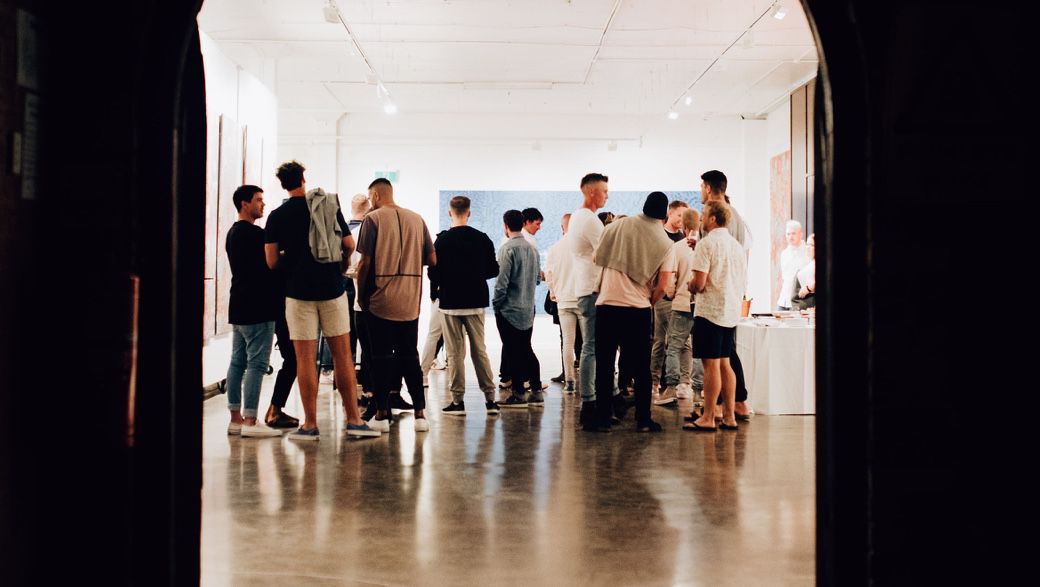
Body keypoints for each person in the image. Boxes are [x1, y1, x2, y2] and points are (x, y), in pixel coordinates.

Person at [264, 161, 378, 440]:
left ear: (283, 185)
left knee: (305, 358)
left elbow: (271, 261)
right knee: (343, 355)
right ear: (303, 179)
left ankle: (310, 424)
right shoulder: (327, 206)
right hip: (331, 289)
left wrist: (293, 263)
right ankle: (354, 421)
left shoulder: (277, 216)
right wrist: (340, 265)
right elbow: (349, 245)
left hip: (297, 294)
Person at [589, 192, 674, 433]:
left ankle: (603, 418)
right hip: (637, 310)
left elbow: (597, 258)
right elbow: (663, 285)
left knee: (604, 365)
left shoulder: (617, 225)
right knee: (641, 367)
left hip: (606, 305)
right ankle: (643, 420)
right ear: (665, 214)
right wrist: (650, 301)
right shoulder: (665, 243)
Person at [356, 178, 436, 432]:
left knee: (380, 357)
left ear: (375, 195)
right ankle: (420, 414)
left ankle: (382, 414)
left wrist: (361, 295)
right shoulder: (417, 219)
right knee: (409, 356)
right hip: (410, 300)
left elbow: (365, 262)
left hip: (381, 299)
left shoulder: (373, 219)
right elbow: (432, 259)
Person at [432, 196, 502, 416]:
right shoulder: (482, 238)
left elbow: (433, 272)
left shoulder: (442, 241)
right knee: (479, 350)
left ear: (449, 212)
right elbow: (493, 270)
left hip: (450, 301)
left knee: (454, 354)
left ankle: (458, 401)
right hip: (475, 300)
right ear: (469, 213)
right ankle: (490, 399)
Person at [224, 185, 284, 438]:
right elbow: (272, 266)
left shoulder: (232, 233)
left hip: (238, 304)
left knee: (237, 362)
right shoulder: (257, 234)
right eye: (258, 200)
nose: (263, 204)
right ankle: (250, 420)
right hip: (259, 306)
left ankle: (235, 419)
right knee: (257, 364)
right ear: (244, 204)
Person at [684, 200, 747, 432]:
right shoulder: (736, 246)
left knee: (710, 366)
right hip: (730, 311)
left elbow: (699, 284)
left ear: (712, 219)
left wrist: (690, 285)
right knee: (725, 363)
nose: (701, 218)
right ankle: (729, 416)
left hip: (710, 311)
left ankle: (709, 416)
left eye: (703, 214)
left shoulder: (706, 244)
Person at [697, 170, 752, 420]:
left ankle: (718, 409)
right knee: (726, 355)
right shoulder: (735, 216)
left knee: (718, 358)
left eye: (701, 187)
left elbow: (711, 267)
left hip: (715, 299)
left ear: (708, 188)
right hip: (730, 294)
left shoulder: (716, 226)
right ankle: (729, 408)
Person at [493, 209, 542, 408]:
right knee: (526, 349)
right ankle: (536, 391)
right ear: (522, 224)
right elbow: (537, 279)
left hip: (509, 310)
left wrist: (496, 304)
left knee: (513, 352)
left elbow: (502, 282)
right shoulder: (532, 249)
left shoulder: (506, 249)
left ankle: (519, 393)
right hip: (528, 308)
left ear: (506, 226)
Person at [569, 174, 608, 422]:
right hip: (593, 290)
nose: (607, 196)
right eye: (604, 191)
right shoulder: (590, 220)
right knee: (593, 347)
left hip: (586, 289)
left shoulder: (577, 217)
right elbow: (607, 254)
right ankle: (590, 402)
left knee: (592, 346)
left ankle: (595, 398)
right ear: (592, 192)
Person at [661, 208, 705, 402]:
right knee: (699, 349)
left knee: (674, 346)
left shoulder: (677, 248)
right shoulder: (704, 247)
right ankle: (698, 391)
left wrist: (670, 294)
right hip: (701, 305)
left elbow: (671, 278)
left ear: (684, 226)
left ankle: (671, 387)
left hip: (681, 303)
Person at [650, 198, 692, 403]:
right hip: (663, 296)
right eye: (679, 215)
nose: (682, 219)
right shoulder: (660, 236)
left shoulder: (685, 239)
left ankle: (681, 383)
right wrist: (663, 291)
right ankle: (655, 381)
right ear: (670, 213)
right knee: (661, 340)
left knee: (680, 342)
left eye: (685, 216)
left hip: (680, 298)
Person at [546, 213, 576, 392]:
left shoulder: (555, 248)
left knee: (567, 342)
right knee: (588, 343)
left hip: (563, 300)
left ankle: (570, 381)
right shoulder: (584, 246)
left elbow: (549, 274)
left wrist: (553, 291)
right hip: (582, 298)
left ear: (562, 227)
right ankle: (590, 381)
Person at [777, 220, 810, 311]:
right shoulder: (784, 254)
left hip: (799, 301)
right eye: (788, 234)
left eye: (793, 233)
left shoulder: (808, 251)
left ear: (801, 234)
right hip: (783, 300)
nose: (790, 237)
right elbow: (785, 278)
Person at [792, 233, 816, 310]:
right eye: (807, 245)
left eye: (811, 245)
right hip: (804, 308)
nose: (807, 248)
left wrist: (809, 288)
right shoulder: (807, 265)